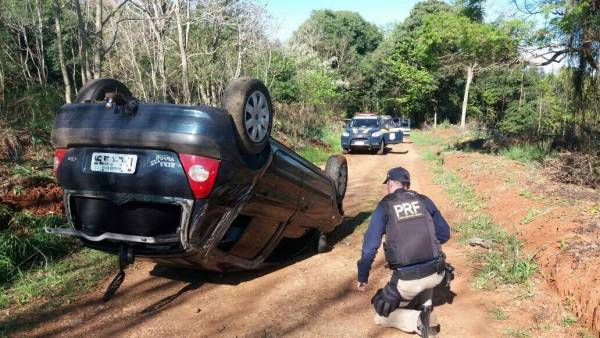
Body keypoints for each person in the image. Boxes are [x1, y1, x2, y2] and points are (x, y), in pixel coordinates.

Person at [356, 167, 450, 336]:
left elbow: (370, 247)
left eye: (387, 184)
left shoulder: (385, 205)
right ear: (408, 185)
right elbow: (444, 234)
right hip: (437, 274)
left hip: (408, 281)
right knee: (425, 263)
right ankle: (426, 304)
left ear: (390, 184)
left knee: (381, 313)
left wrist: (363, 276)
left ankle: (419, 320)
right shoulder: (424, 200)